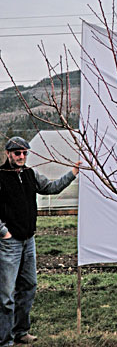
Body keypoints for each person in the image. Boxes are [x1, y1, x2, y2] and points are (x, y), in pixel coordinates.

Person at [0, 136, 81, 346]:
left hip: (29, 241)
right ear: (8, 153)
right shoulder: (0, 176)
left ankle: (21, 332)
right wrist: (3, 232)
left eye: (25, 152)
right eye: (17, 153)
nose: (21, 156)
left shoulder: (30, 174)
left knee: (29, 286)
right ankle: (4, 339)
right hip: (9, 243)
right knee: (6, 295)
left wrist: (72, 173)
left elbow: (51, 188)